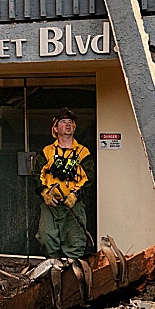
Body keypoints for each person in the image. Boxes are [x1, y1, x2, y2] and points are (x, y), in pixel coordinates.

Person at [35, 108, 95, 259]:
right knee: (46, 238)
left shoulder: (83, 152)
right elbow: (37, 174)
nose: (68, 125)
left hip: (72, 206)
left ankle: (72, 276)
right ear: (55, 129)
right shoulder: (47, 152)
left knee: (74, 243)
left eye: (71, 123)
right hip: (51, 205)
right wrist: (44, 192)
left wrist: (75, 195)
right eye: (63, 122)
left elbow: (88, 177)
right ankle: (54, 271)